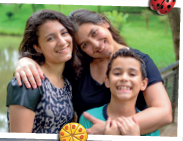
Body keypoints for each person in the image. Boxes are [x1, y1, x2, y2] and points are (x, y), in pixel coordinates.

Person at [14, 9, 172, 135]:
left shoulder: (140, 62)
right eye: (85, 45)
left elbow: (164, 112)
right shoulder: (78, 66)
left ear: (104, 22)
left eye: (94, 33)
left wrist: (109, 130)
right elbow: (49, 60)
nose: (96, 45)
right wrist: (25, 61)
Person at [6, 9, 77, 133]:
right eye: (50, 38)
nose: (62, 42)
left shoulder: (66, 83)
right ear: (37, 47)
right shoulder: (28, 82)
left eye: (64, 33)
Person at [79, 48, 159, 136]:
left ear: (143, 84)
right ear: (107, 81)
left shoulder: (150, 124)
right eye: (117, 73)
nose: (124, 78)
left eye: (132, 74)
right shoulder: (89, 119)